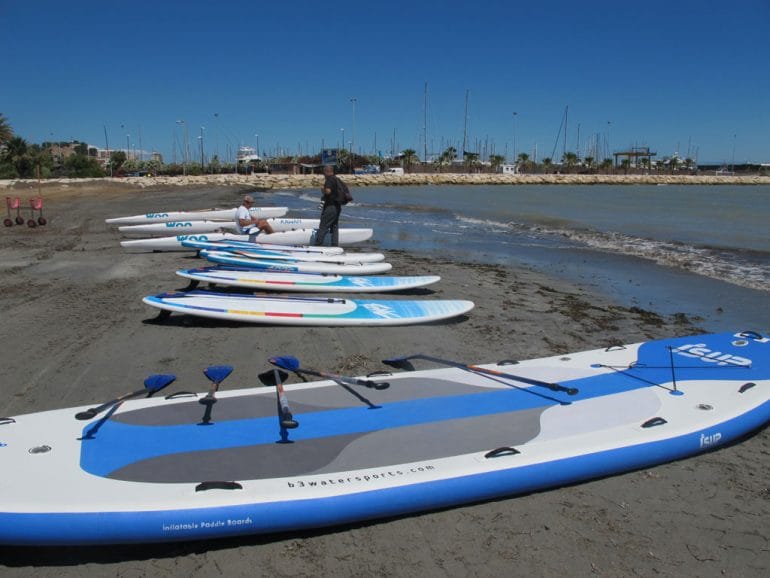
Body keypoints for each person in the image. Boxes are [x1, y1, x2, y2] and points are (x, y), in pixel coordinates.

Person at [315, 165, 344, 246]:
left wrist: (323, 190)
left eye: (324, 172)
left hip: (330, 207)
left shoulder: (329, 180)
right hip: (337, 207)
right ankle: (335, 246)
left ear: (327, 171)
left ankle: (318, 245)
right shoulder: (337, 179)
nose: (323, 174)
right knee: (334, 226)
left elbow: (328, 191)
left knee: (323, 226)